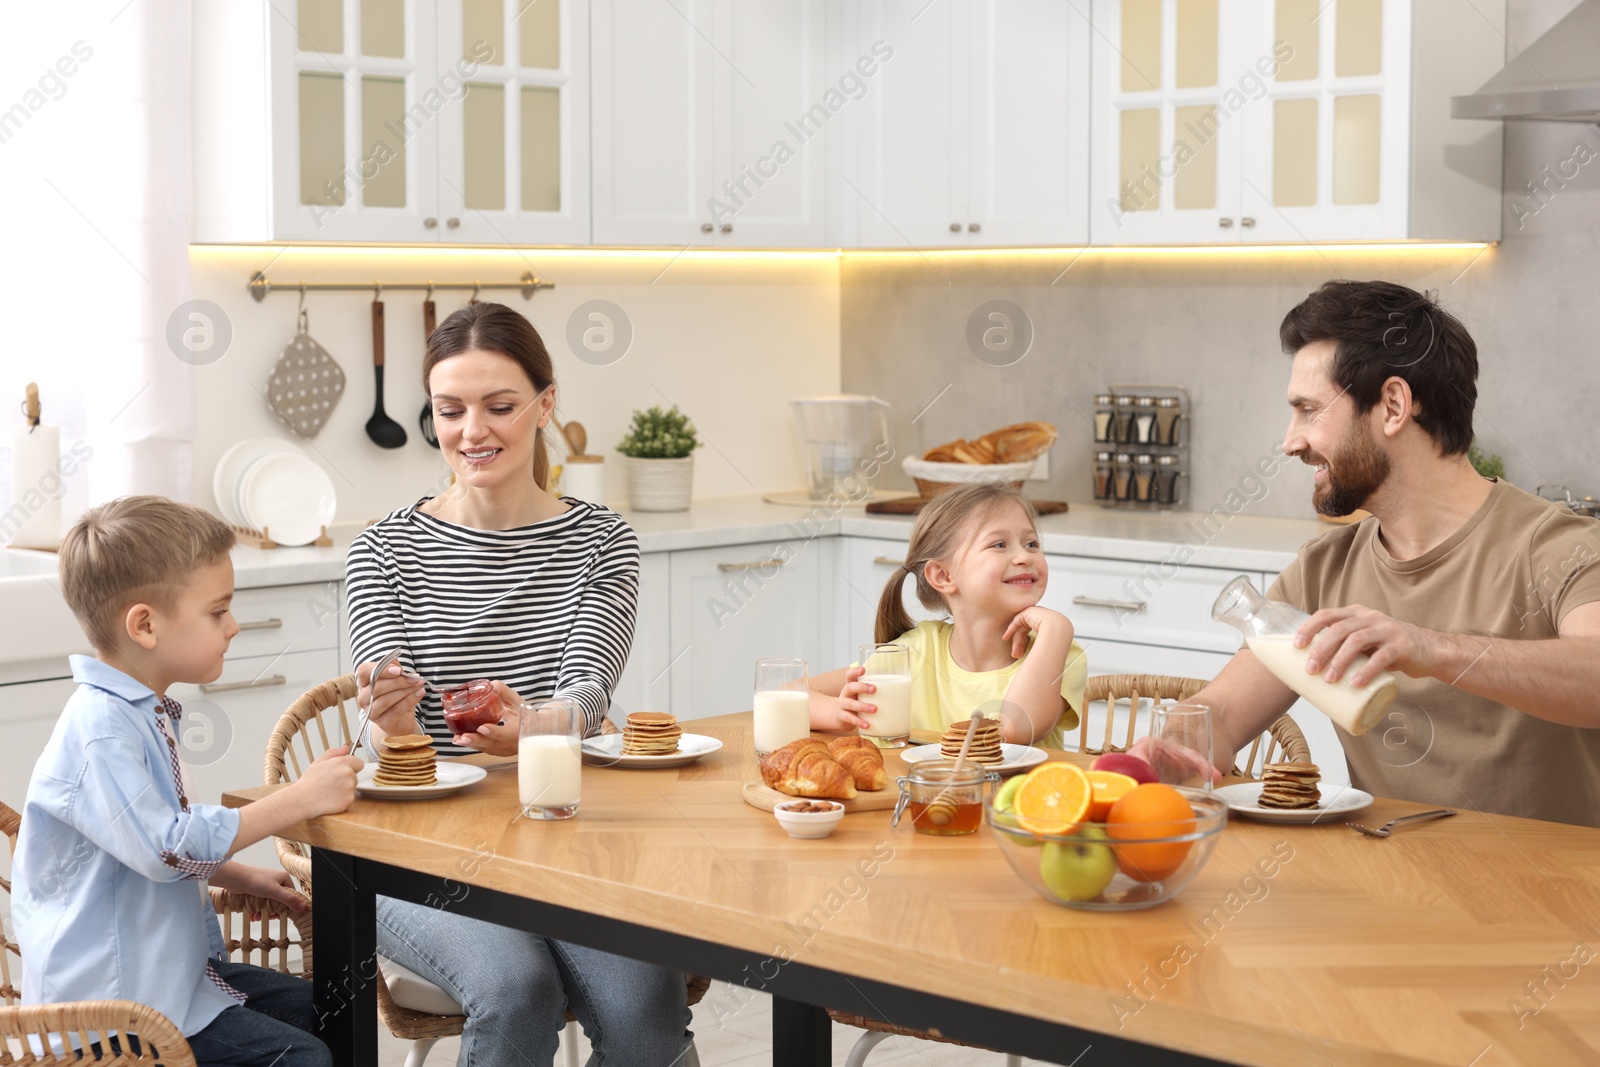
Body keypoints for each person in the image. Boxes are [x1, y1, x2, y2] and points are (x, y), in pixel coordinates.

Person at [346, 302, 691, 1065]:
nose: (474, 431)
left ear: (546, 403)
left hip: (560, 837)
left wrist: (540, 723)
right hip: (419, 848)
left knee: (647, 1008)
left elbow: (587, 690)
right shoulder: (383, 549)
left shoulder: (602, 540)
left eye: (500, 406)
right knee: (516, 987)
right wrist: (393, 722)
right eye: (450, 409)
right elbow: (384, 727)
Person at [1161, 280, 1600, 826]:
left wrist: (1432, 649)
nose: (1290, 441)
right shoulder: (1323, 570)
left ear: (1392, 405)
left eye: (1308, 410)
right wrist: (1176, 741)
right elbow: (1223, 715)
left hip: (1553, 898)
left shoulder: (1555, 545)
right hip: (1392, 881)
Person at [13, 496, 362, 1066]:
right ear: (145, 626)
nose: (233, 625)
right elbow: (165, 847)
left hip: (175, 979)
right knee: (303, 1058)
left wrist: (238, 873)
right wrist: (298, 799)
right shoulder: (101, 731)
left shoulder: (141, 711)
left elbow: (139, 846)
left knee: (340, 1014)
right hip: (112, 1013)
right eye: (218, 611)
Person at [808, 482, 1087, 746]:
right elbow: (786, 694)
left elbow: (1014, 730)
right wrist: (836, 712)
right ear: (942, 575)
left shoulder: (1057, 649)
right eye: (999, 545)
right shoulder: (917, 652)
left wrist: (1056, 629)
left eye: (1031, 544)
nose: (1024, 557)